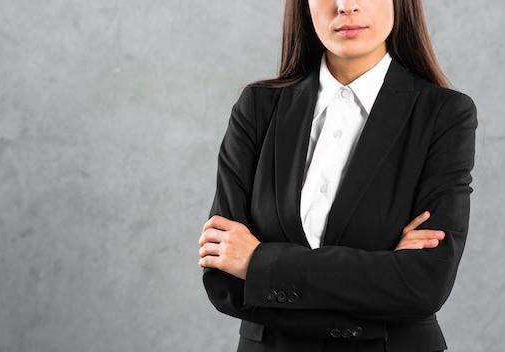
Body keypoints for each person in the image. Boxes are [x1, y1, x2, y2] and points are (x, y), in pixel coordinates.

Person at [198, 0, 477, 351]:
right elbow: (223, 278)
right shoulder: (257, 108)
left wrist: (259, 263)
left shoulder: (444, 114)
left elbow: (424, 283)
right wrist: (380, 277)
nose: (347, 6)